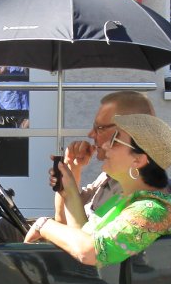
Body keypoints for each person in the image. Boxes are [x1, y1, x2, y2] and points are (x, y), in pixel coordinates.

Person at [24, 113, 171, 265]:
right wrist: (69, 187)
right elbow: (82, 234)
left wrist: (44, 225)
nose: (105, 145)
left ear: (138, 160)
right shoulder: (125, 199)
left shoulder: (154, 210)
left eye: (115, 140)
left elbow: (90, 251)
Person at [50, 90, 156, 224]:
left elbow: (85, 237)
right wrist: (72, 167)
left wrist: (44, 225)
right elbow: (63, 219)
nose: (90, 134)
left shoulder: (139, 196)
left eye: (99, 128)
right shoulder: (110, 177)